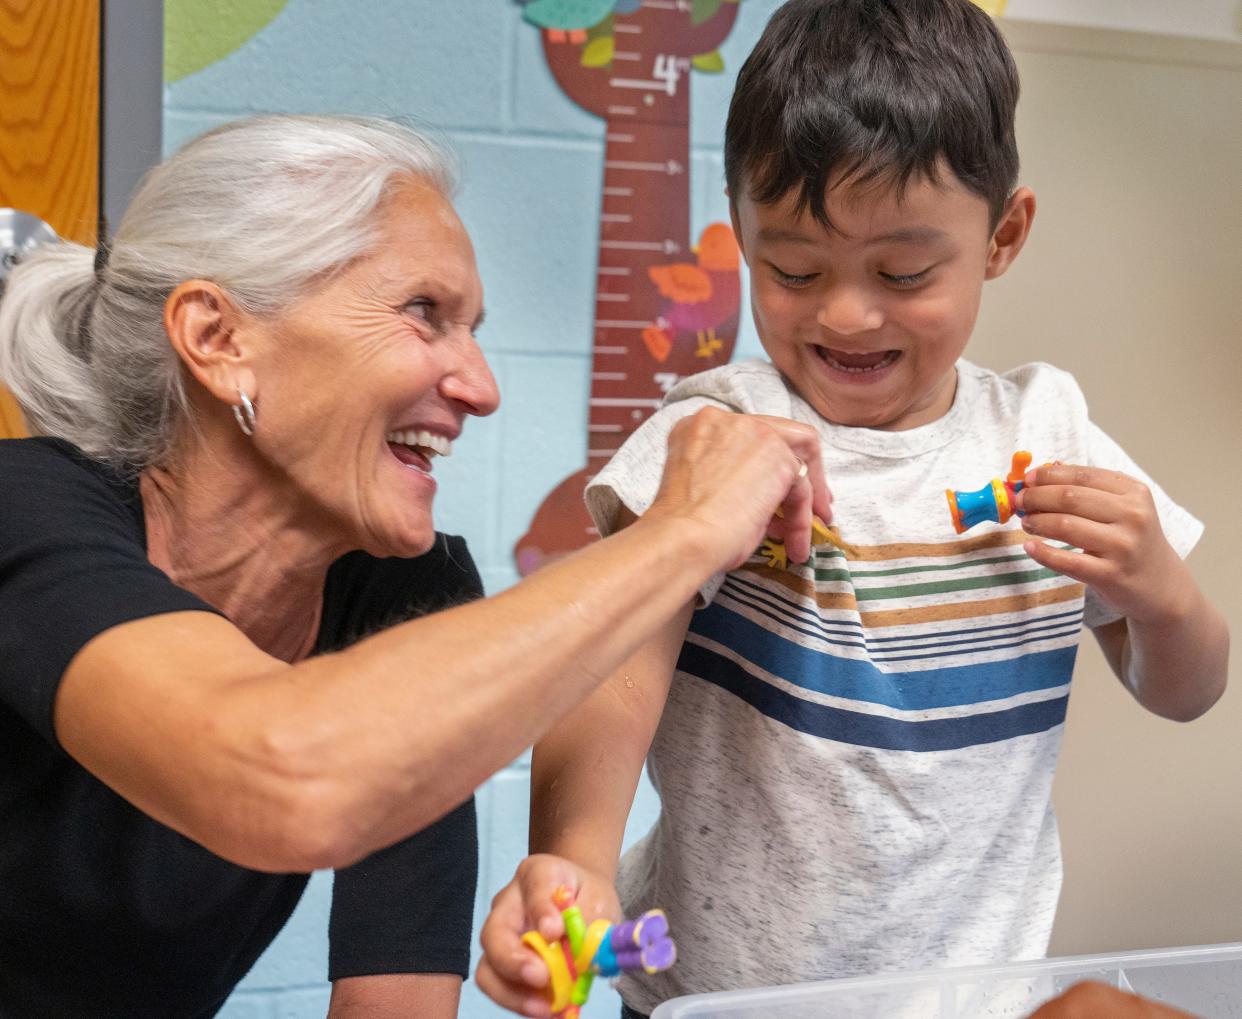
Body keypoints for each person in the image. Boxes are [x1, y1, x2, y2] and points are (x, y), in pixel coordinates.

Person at [477, 2, 1230, 1017]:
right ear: (742, 231)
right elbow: (610, 669)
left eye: (902, 272)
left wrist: (1164, 596)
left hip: (971, 996)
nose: (844, 312)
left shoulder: (1049, 428)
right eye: (792, 268)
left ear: (1003, 236)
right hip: (721, 997)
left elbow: (1187, 691)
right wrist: (573, 858)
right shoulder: (717, 434)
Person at [0, 114, 832, 1018]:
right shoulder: (25, 511)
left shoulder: (403, 591)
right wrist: (682, 531)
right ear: (217, 336)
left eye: (470, 328)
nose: (480, 386)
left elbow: (395, 1000)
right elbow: (282, 774)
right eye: (423, 313)